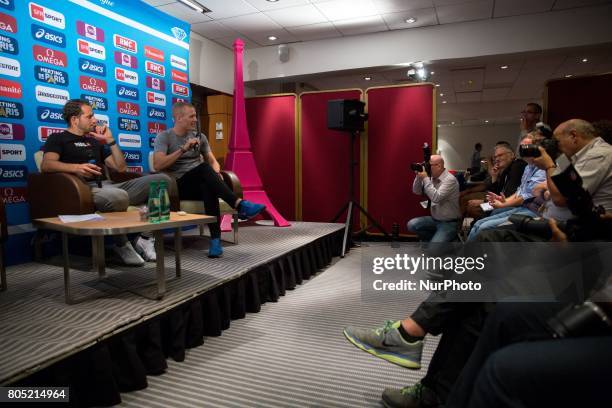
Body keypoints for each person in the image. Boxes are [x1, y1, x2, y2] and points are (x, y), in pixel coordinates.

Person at [41, 99, 172, 265]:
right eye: (90, 116)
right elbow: (47, 164)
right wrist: (76, 168)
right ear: (75, 119)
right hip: (83, 190)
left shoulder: (95, 141)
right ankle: (122, 244)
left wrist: (110, 140)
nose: (95, 120)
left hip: (109, 186)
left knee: (162, 180)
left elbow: (120, 167)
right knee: (118, 196)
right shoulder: (58, 138)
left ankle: (146, 238)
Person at [153, 102, 265, 258]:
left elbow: (213, 162)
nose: (195, 120)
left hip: (201, 182)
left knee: (208, 184)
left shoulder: (200, 137)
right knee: (205, 169)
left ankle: (215, 241)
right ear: (179, 117)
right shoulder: (164, 137)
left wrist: (216, 174)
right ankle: (239, 205)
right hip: (178, 186)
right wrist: (183, 149)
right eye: (191, 116)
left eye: (195, 116)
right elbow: (157, 164)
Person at [466, 135, 546, 241]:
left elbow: (517, 195)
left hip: (519, 206)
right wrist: (494, 176)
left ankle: (473, 242)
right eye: (495, 157)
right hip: (507, 202)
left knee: (478, 211)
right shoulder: (510, 169)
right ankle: (469, 237)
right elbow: (497, 191)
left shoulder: (517, 166)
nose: (497, 159)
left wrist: (485, 203)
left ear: (512, 155)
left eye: (500, 155)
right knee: (474, 211)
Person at [407, 155, 461, 243]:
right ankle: (436, 239)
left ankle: (452, 240)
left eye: (429, 165)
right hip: (435, 219)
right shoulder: (432, 178)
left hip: (449, 222)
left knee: (434, 251)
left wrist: (425, 178)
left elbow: (436, 198)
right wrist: (418, 176)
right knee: (411, 225)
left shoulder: (450, 180)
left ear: (439, 166)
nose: (427, 168)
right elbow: (416, 191)